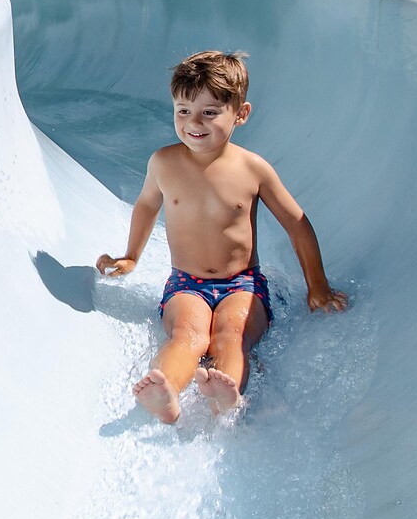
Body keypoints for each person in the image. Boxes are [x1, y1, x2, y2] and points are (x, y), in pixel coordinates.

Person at [95, 50, 347, 423]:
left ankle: (226, 393)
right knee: (187, 336)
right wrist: (131, 255)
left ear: (240, 114)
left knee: (231, 334)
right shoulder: (163, 163)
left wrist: (318, 285)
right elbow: (147, 206)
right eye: (183, 111)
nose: (193, 122)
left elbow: (297, 224)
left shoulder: (252, 169)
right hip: (186, 283)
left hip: (242, 284)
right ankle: (167, 393)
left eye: (209, 112)